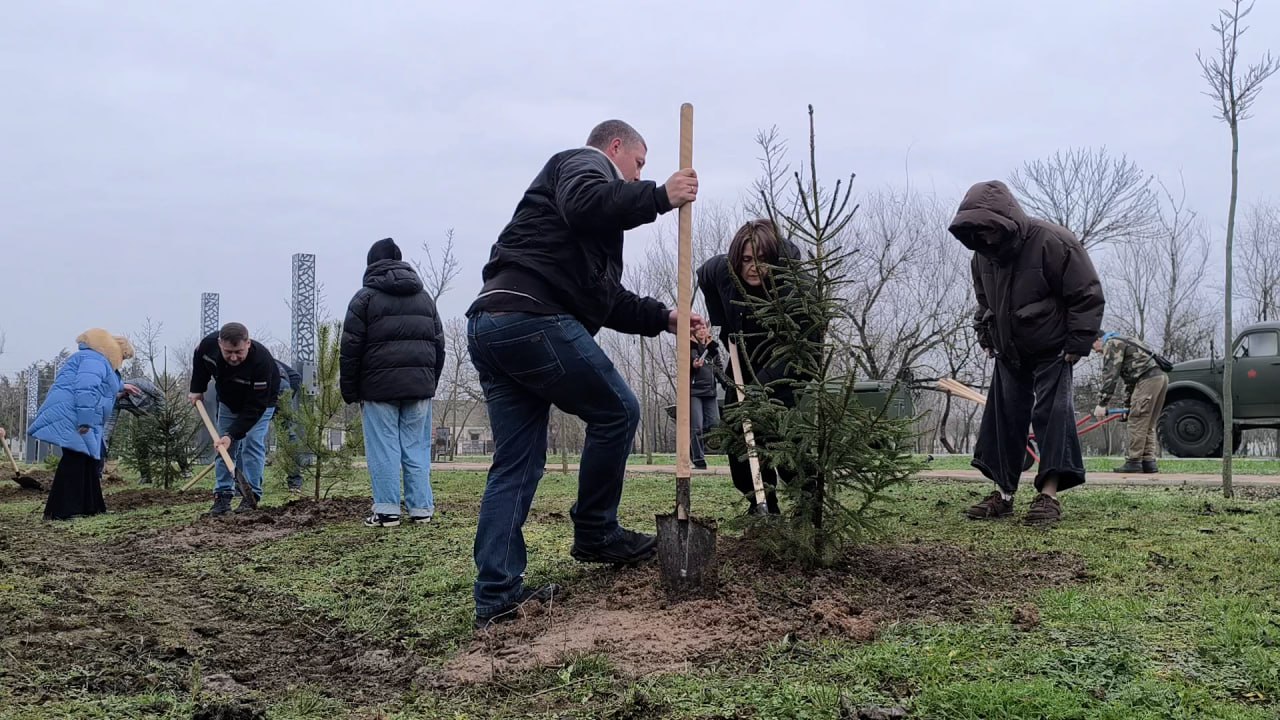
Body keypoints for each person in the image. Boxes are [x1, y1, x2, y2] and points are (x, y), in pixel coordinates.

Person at [465, 118, 699, 629]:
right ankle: (596, 531)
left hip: (491, 325)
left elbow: (604, 299)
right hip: (530, 318)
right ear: (616, 148)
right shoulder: (582, 163)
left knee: (517, 464)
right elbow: (588, 201)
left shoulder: (578, 233)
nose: (639, 176)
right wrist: (659, 198)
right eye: (639, 165)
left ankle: (497, 598)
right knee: (617, 410)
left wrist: (664, 318)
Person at [948, 180, 1105, 525]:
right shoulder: (982, 257)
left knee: (1053, 416)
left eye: (988, 229)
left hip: (1053, 349)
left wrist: (1078, 343)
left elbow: (1086, 294)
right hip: (1009, 351)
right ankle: (1003, 494)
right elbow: (984, 303)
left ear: (1005, 220)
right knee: (1002, 421)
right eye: (975, 231)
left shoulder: (1053, 241)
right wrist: (986, 335)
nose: (984, 238)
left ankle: (1047, 497)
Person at [697, 218, 818, 515]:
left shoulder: (798, 289)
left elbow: (804, 351)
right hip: (744, 355)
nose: (753, 267)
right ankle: (761, 504)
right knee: (738, 430)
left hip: (789, 364)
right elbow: (704, 276)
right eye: (747, 260)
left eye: (762, 260)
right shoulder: (722, 270)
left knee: (783, 435)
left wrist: (757, 390)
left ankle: (809, 498)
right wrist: (723, 326)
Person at [340, 237, 445, 527]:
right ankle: (421, 509)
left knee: (384, 448)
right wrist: (429, 382)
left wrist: (349, 389)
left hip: (378, 390)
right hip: (420, 387)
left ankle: (387, 511)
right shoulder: (425, 299)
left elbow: (350, 349)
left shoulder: (364, 298)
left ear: (371, 263)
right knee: (417, 448)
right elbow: (439, 345)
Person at [28, 329, 128, 520]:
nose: (122, 362)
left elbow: (103, 382)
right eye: (123, 357)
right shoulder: (94, 360)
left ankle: (92, 507)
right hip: (74, 415)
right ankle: (62, 511)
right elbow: (86, 388)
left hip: (77, 414)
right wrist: (85, 420)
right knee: (75, 460)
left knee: (88, 460)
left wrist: (123, 386)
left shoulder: (94, 359)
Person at [189, 322, 281, 515]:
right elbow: (200, 363)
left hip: (259, 404)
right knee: (223, 448)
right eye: (228, 352)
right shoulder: (207, 346)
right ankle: (222, 497)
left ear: (248, 343)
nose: (233, 357)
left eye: (238, 351)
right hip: (229, 402)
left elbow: (255, 407)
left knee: (252, 443)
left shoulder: (261, 361)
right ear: (220, 344)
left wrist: (232, 433)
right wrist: (197, 388)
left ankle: (251, 496)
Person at [1092, 330, 1168, 473]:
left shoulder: (1111, 343)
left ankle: (1134, 461)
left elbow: (1110, 376)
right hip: (1159, 378)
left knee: (1137, 421)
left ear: (1097, 339)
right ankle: (1148, 461)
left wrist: (1102, 403)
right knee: (1147, 422)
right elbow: (1131, 381)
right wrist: (1128, 407)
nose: (1096, 352)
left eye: (1092, 347)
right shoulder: (1125, 339)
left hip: (1147, 380)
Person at [689, 325, 722, 470]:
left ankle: (693, 447)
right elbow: (686, 366)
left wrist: (727, 383)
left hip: (710, 391)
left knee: (714, 424)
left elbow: (719, 369)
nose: (702, 331)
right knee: (696, 427)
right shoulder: (690, 347)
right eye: (698, 329)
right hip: (694, 391)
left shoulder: (713, 349)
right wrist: (694, 366)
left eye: (704, 328)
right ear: (693, 332)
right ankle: (698, 458)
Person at [274, 358, 308, 494]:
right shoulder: (267, 357)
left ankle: (240, 485)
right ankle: (295, 482)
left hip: (269, 386)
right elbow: (295, 376)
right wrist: (286, 398)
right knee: (288, 434)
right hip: (282, 385)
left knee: (250, 435)